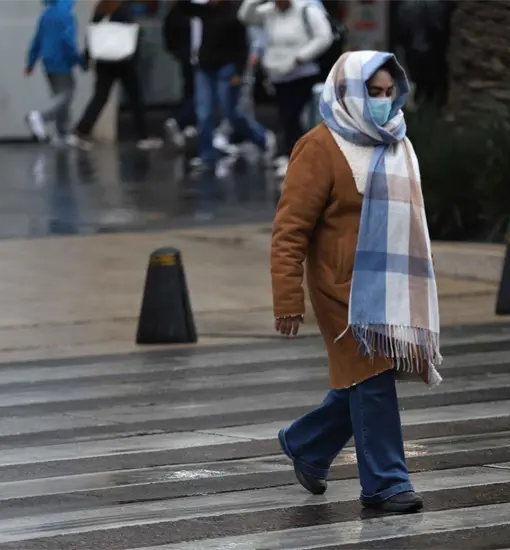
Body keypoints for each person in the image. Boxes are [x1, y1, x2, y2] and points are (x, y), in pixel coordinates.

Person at [270, 51, 442, 514]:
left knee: (365, 377)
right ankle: (386, 483)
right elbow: (290, 230)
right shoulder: (319, 147)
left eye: (389, 93)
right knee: (372, 377)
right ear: (347, 91)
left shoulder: (396, 142)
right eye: (374, 92)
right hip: (340, 288)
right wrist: (288, 299)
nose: (384, 103)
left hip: (389, 284)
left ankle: (307, 445)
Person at [239, 0, 334, 177]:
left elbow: (324, 37)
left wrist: (301, 57)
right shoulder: (269, 12)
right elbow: (245, 16)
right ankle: (291, 153)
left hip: (302, 73)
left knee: (294, 116)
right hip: (278, 73)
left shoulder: (307, 9)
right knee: (285, 116)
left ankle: (295, 156)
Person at [180, 0, 275, 171]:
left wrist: (238, 72)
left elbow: (242, 47)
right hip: (205, 67)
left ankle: (261, 138)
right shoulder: (205, 11)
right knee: (204, 113)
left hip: (227, 68)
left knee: (231, 113)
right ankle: (206, 155)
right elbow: (184, 7)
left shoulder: (235, 16)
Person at [70, 0, 161, 151]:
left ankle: (81, 130)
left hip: (103, 60)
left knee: (100, 96)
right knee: (135, 96)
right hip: (123, 60)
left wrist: (87, 57)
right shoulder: (124, 9)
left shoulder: (101, 8)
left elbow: (92, 34)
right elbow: (131, 34)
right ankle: (143, 136)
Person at [24, 0, 85, 145]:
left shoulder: (46, 14)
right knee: (66, 94)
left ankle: (62, 133)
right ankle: (40, 116)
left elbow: (37, 39)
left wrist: (31, 62)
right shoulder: (67, 15)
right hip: (61, 61)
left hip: (48, 61)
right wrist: (79, 60)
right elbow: (68, 41)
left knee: (59, 95)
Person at [162, 0, 197, 148]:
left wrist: (176, 52)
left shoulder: (176, 11)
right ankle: (179, 120)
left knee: (190, 89)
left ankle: (190, 122)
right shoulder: (193, 12)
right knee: (198, 92)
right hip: (196, 56)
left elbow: (168, 35)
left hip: (186, 56)